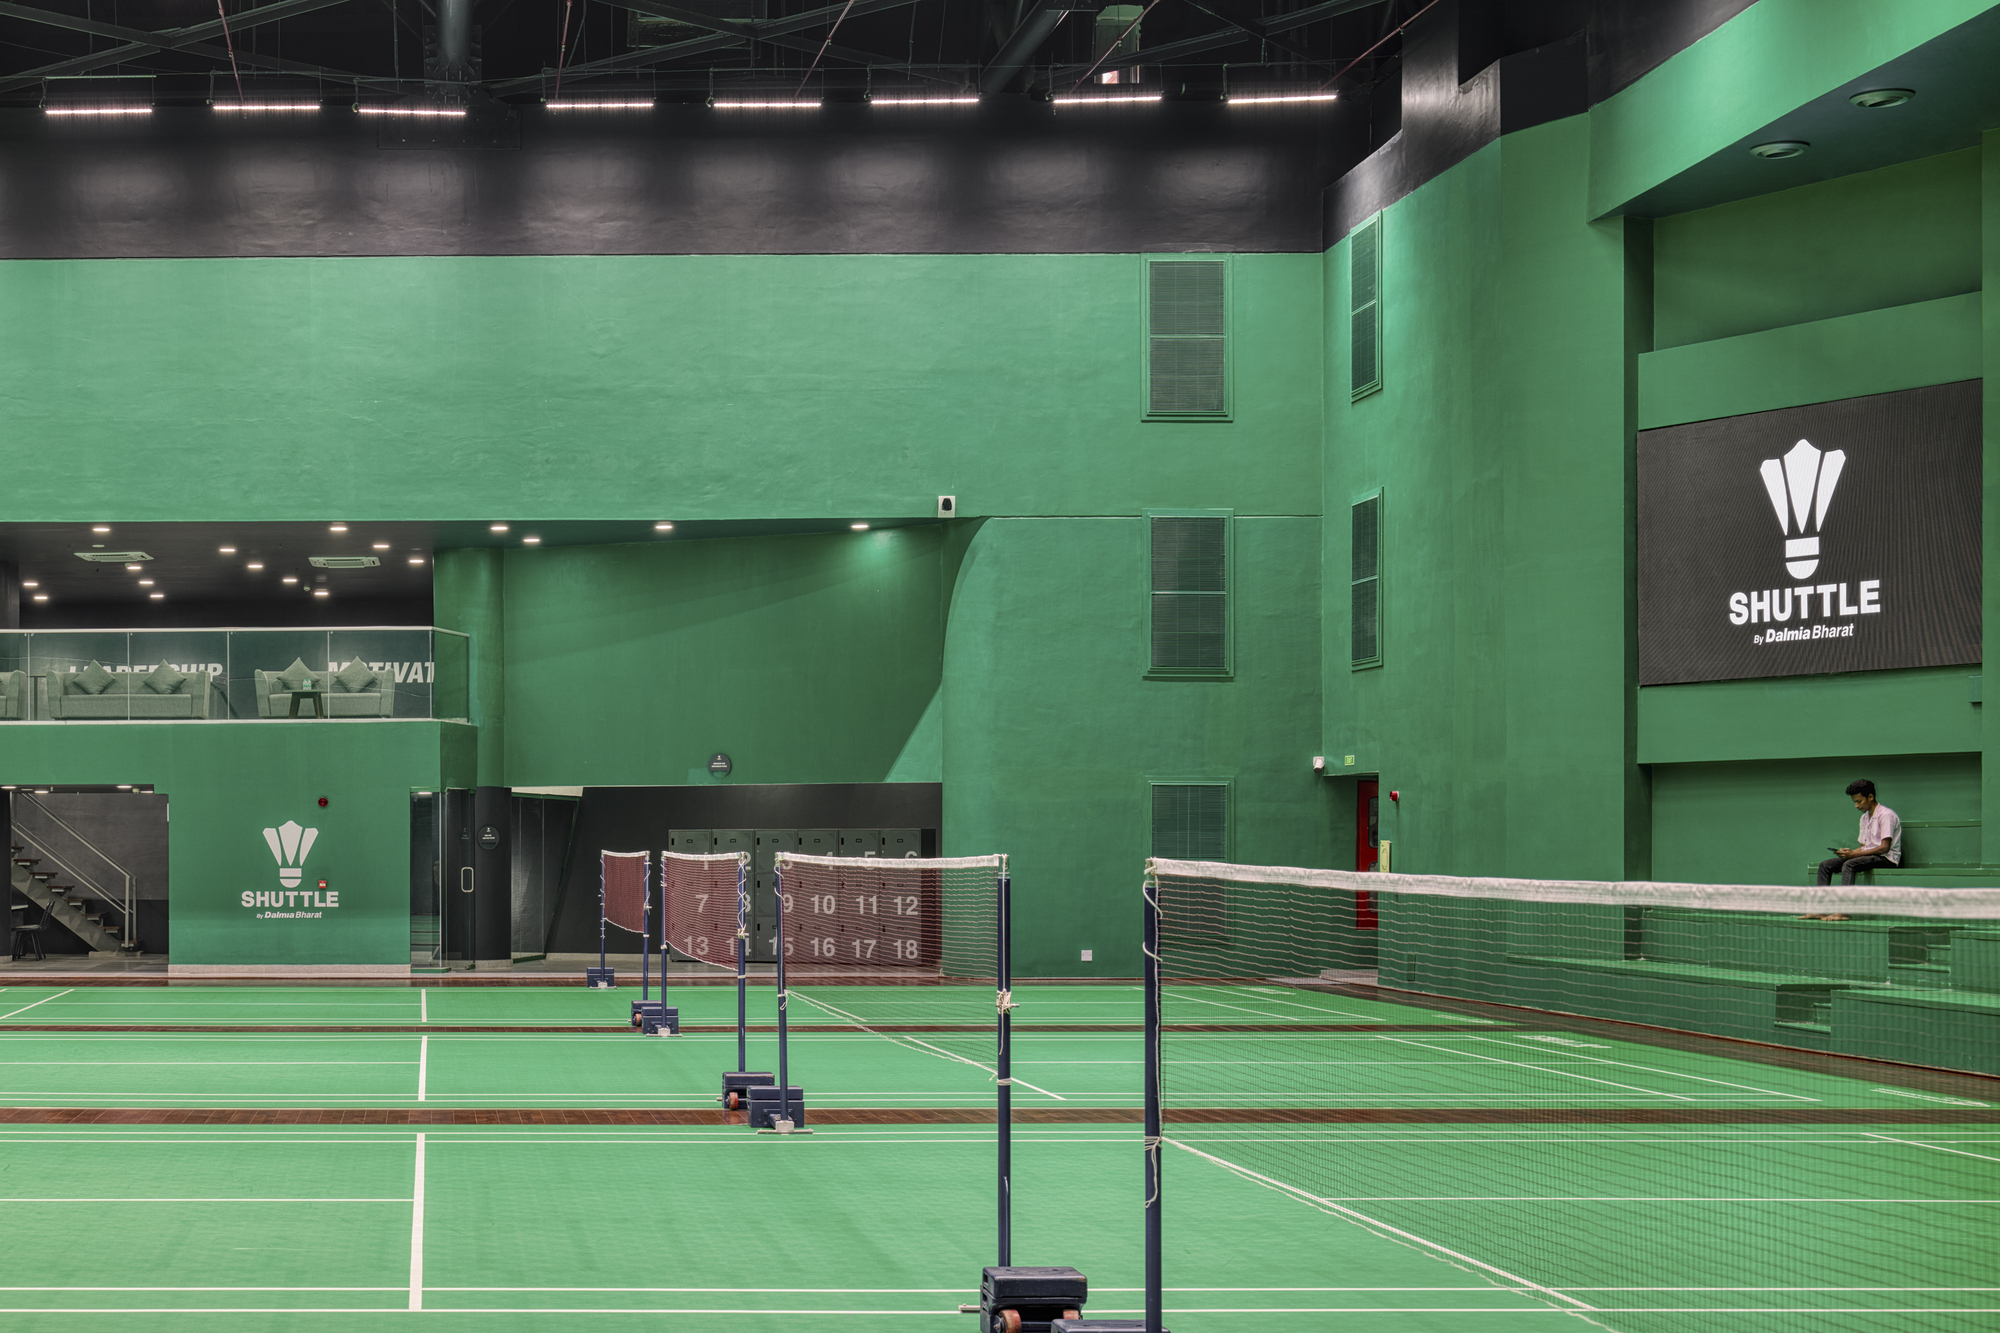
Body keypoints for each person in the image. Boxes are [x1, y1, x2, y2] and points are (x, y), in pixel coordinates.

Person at [1806, 779, 1901, 919]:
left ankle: (1843, 911)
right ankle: (1819, 910)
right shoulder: (1864, 818)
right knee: (1825, 865)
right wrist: (1850, 853)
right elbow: (1864, 847)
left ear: (1870, 797)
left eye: (1859, 801)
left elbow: (1884, 848)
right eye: (1854, 802)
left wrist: (1853, 857)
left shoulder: (1886, 815)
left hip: (1886, 858)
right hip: (1870, 856)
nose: (1856, 805)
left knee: (1849, 864)